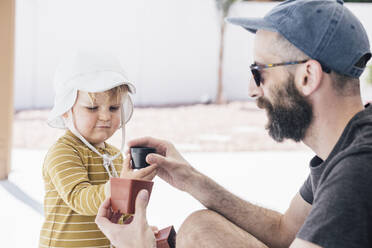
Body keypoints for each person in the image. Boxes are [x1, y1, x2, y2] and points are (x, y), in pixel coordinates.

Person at [96, 0, 372, 247]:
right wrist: (191, 179)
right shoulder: (348, 147)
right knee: (201, 228)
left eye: (259, 72)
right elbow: (285, 231)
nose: (252, 90)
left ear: (307, 76)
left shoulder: (358, 170)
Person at [39, 51, 158, 248]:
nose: (105, 116)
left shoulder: (115, 156)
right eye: (93, 108)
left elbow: (119, 210)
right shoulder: (63, 152)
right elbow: (80, 198)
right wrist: (122, 185)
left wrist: (136, 229)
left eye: (113, 108)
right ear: (66, 111)